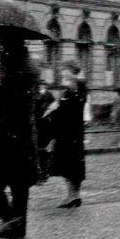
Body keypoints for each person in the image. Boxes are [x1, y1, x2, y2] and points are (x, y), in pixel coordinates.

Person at [0, 38, 39, 239]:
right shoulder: (25, 66)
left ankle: (10, 222)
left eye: (2, 44)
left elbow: (8, 100)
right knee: (18, 184)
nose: (0, 48)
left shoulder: (18, 69)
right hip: (19, 137)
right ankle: (16, 226)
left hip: (10, 137)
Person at [49, 66, 86, 208]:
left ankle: (72, 197)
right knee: (74, 167)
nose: (63, 77)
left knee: (69, 167)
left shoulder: (72, 93)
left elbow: (66, 114)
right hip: (74, 135)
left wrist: (55, 108)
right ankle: (74, 196)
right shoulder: (77, 91)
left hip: (68, 136)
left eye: (66, 75)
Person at [35, 82, 56, 183]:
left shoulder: (47, 96)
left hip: (45, 127)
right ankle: (43, 173)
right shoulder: (37, 95)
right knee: (41, 151)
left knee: (44, 151)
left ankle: (44, 173)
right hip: (40, 127)